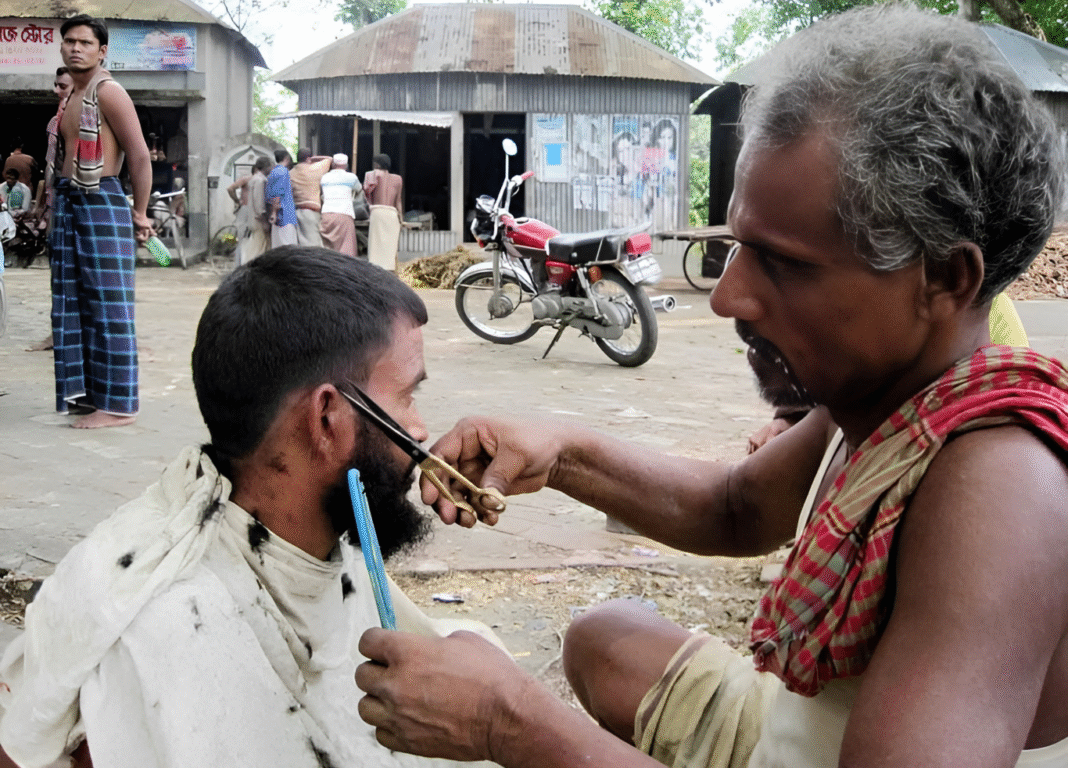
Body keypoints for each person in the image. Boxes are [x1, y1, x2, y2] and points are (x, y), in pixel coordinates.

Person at [353, 7, 1068, 768]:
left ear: (944, 280)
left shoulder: (996, 492)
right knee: (605, 636)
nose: (728, 299)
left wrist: (513, 724)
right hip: (794, 730)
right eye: (738, 248)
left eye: (784, 264)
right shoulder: (887, 406)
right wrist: (561, 453)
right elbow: (734, 508)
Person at [0, 247, 502, 768]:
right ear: (326, 417)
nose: (420, 432)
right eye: (408, 397)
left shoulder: (329, 552)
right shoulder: (159, 635)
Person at [51, 14, 153, 429]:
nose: (76, 48)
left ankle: (118, 406)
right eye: (70, 42)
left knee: (110, 306)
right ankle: (87, 395)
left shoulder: (108, 92)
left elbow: (140, 155)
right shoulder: (69, 95)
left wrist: (141, 212)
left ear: (102, 50)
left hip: (101, 199)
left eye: (86, 43)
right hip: (69, 201)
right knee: (71, 303)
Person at [26, 66, 75, 353]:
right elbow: (49, 168)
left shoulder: (90, 116)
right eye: (56, 86)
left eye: (63, 86)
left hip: (81, 203)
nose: (58, 91)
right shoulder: (54, 123)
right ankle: (56, 334)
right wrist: (41, 205)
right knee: (58, 272)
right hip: (58, 205)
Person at [363, 154, 403, 271]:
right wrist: (400, 218)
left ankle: (376, 272)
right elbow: (398, 200)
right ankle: (389, 273)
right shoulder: (398, 179)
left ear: (376, 164)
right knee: (390, 249)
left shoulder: (372, 174)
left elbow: (366, 192)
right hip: (392, 214)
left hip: (377, 212)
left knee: (376, 249)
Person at [320, 152, 362, 258]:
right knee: (346, 250)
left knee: (328, 248)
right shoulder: (351, 177)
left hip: (326, 215)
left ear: (333, 164)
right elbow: (359, 190)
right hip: (344, 214)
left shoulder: (324, 178)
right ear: (346, 165)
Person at [289, 147, 332, 247]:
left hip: (297, 212)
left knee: (301, 244)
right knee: (313, 245)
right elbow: (330, 159)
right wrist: (313, 158)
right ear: (309, 159)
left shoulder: (291, 173)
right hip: (312, 212)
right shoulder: (315, 169)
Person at [241, 155, 273, 264]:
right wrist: (264, 220)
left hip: (253, 219)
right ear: (266, 166)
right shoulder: (260, 180)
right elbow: (259, 203)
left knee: (255, 246)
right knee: (260, 248)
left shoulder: (254, 179)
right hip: (259, 220)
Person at [266, 148, 297, 247]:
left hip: (279, 217)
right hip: (284, 216)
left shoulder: (273, 172)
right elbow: (277, 194)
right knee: (288, 247)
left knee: (278, 246)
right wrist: (274, 213)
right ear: (286, 158)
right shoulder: (283, 172)